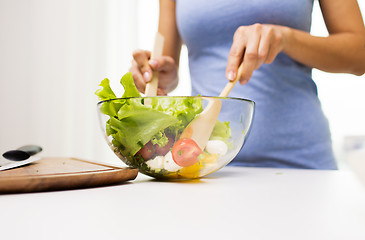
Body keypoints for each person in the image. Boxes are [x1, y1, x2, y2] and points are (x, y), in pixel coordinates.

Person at [129, 0, 365, 169]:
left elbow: (359, 55)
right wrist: (158, 73)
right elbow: (169, 70)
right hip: (207, 166)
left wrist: (286, 38)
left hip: (300, 162)